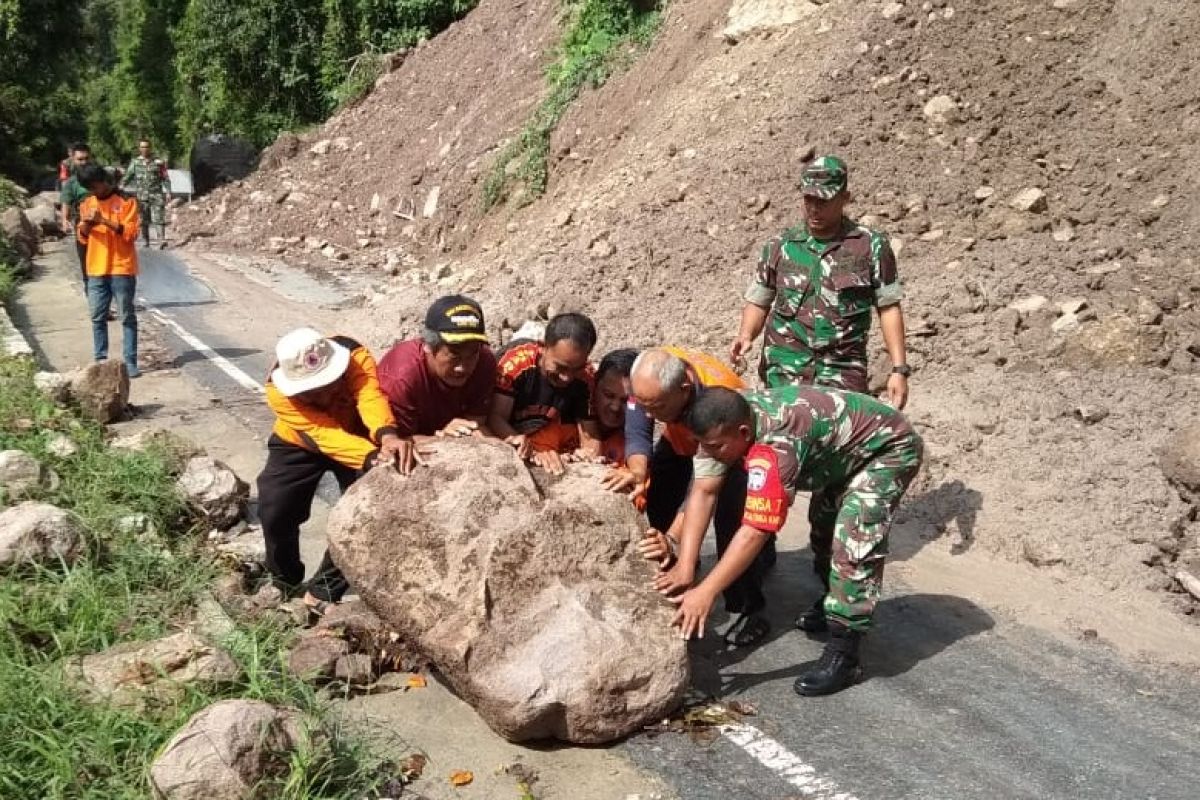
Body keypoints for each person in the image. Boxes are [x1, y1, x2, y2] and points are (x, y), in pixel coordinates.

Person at [729, 154, 912, 633]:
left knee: (833, 478)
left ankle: (826, 559)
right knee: (767, 463)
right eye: (808, 197)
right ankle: (760, 544)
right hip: (783, 378)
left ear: (845, 197)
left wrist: (899, 368)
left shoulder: (869, 247)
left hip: (839, 377)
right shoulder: (781, 246)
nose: (814, 208)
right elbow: (759, 298)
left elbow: (888, 308)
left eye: (824, 200)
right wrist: (746, 336)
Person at [670, 385, 923, 696]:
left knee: (853, 542)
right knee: (824, 529)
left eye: (715, 447)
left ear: (744, 432)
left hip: (887, 449)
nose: (708, 452)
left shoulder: (776, 445)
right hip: (840, 453)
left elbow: (755, 530)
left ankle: (845, 652)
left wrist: (707, 591)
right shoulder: (718, 425)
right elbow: (704, 491)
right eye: (702, 445)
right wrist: (685, 568)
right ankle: (833, 598)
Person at [627, 347, 775, 648]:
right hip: (684, 440)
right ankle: (675, 565)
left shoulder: (717, 403)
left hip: (732, 449)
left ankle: (746, 608)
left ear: (684, 389)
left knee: (733, 521)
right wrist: (639, 472)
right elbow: (638, 429)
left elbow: (705, 489)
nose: (648, 414)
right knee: (658, 491)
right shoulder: (650, 380)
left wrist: (676, 536)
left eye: (656, 407)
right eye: (644, 404)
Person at [257, 328, 405, 616]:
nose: (324, 396)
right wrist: (371, 457)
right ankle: (283, 579)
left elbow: (369, 396)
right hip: (300, 440)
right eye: (313, 392)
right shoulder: (277, 391)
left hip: (359, 432)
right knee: (274, 508)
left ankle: (324, 589)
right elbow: (323, 434)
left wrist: (386, 435)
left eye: (329, 384)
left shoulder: (355, 356)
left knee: (366, 514)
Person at [377, 295, 497, 465]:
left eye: (472, 354)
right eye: (454, 355)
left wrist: (467, 431)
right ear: (428, 346)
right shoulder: (402, 378)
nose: (462, 367)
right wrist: (441, 437)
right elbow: (394, 441)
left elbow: (477, 420)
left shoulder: (484, 362)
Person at [488, 312, 602, 475]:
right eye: (560, 367)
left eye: (576, 369)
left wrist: (587, 457)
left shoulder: (585, 377)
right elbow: (495, 417)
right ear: (542, 347)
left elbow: (590, 437)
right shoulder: (516, 364)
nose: (566, 378)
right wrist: (525, 446)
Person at [76, 164, 141, 377]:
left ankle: (130, 362)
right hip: (96, 267)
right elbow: (82, 237)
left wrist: (103, 221)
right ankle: (101, 361)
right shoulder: (87, 204)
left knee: (126, 315)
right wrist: (87, 223)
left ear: (105, 180)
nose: (97, 191)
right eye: (92, 188)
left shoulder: (126, 200)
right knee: (97, 316)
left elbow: (131, 233)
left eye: (99, 185)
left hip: (121, 266)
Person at [593, 347, 639, 469]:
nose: (615, 407)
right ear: (595, 383)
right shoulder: (566, 424)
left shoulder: (637, 449)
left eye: (625, 401)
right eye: (608, 395)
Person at [121, 138, 170, 248]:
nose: (145, 149)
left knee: (159, 217)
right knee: (143, 219)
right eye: (142, 147)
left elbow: (165, 177)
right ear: (139, 148)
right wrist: (121, 186)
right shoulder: (135, 163)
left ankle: (161, 240)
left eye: (147, 147)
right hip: (142, 196)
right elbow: (128, 176)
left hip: (156, 194)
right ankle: (145, 240)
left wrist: (168, 192)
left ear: (150, 148)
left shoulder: (158, 162)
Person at [59, 142, 94, 288]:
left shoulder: (99, 177)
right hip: (82, 223)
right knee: (85, 260)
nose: (83, 162)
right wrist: (64, 220)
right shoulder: (71, 183)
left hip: (104, 223)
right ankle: (92, 297)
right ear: (73, 159)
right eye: (80, 159)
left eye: (86, 159)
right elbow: (66, 202)